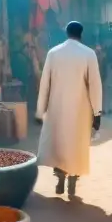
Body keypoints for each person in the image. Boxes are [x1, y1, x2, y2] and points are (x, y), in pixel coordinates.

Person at [36, 21, 103, 198]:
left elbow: (44, 84)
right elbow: (95, 85)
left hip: (56, 107)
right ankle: (73, 180)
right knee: (76, 144)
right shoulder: (88, 54)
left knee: (59, 143)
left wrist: (40, 110)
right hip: (81, 109)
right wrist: (97, 112)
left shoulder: (53, 53)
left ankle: (60, 179)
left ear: (66, 32)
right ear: (81, 33)